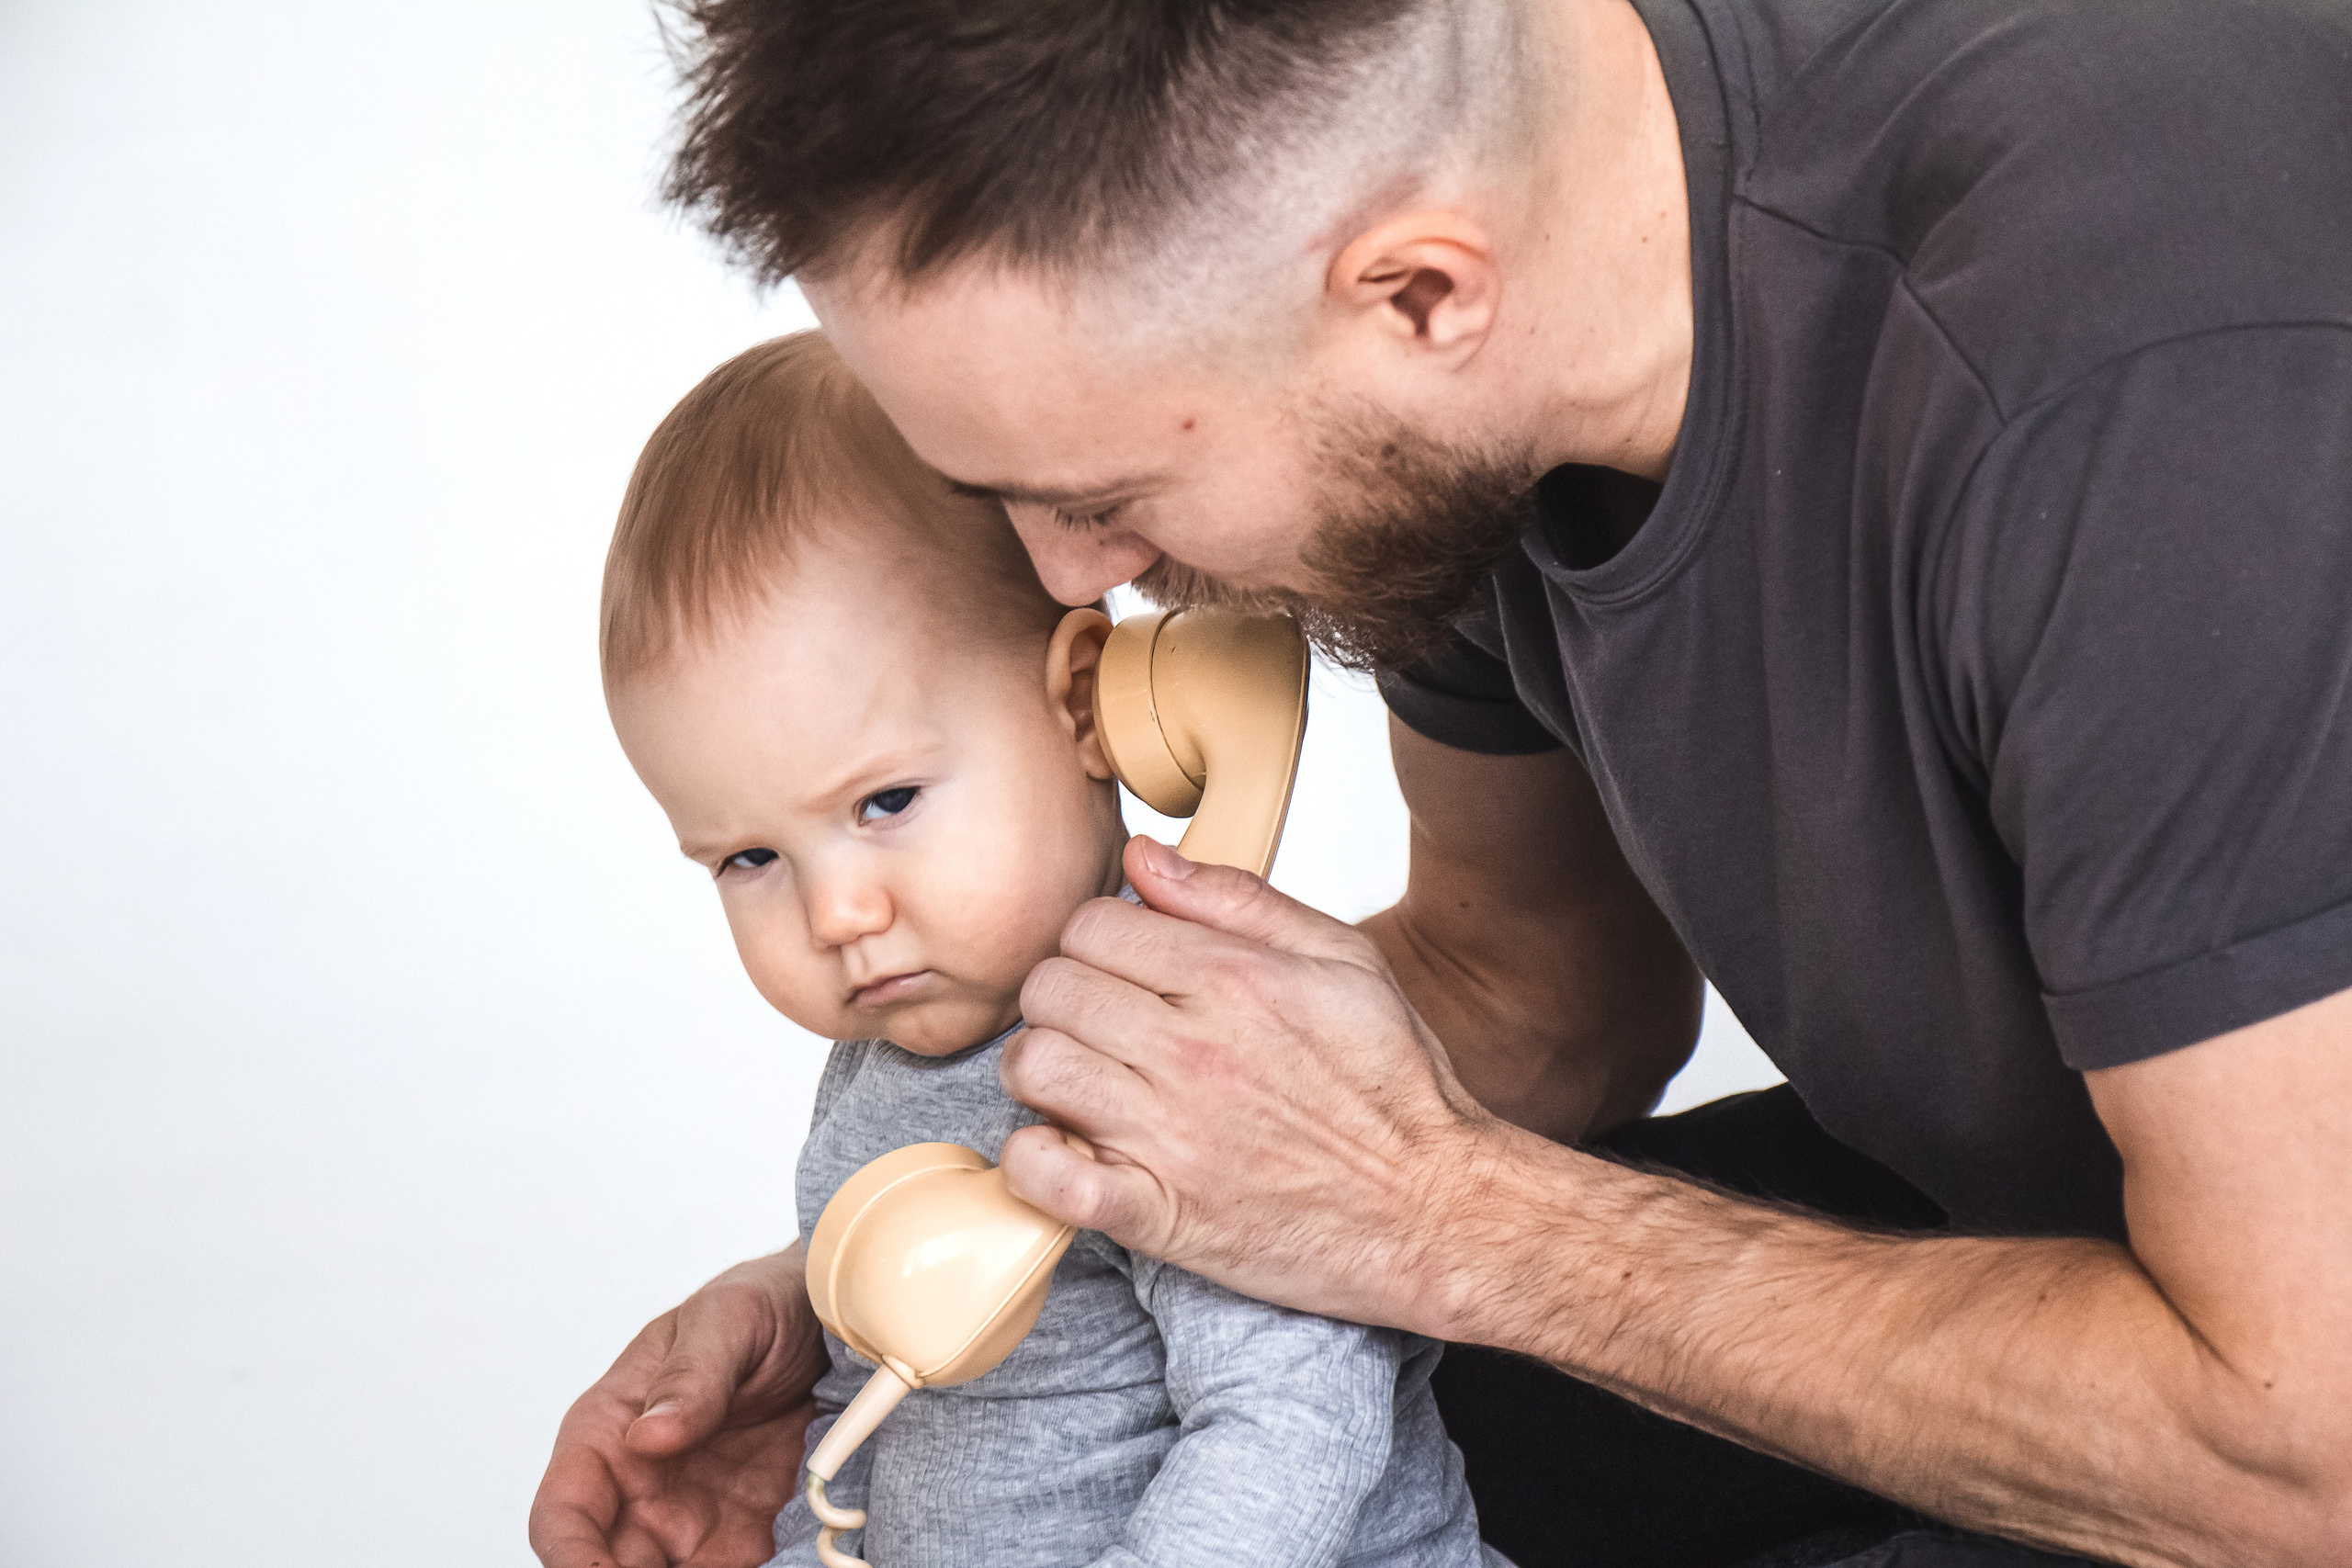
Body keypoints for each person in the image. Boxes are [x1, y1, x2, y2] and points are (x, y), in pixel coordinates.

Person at [532, 1, 2352, 1564]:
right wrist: (926, 1306)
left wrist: (1446, 1218)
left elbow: (2299, 1442)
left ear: (1415, 293)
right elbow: (1534, 987)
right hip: (2085, 1225)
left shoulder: (2135, 404)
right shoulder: (1454, 355)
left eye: (1101, 492)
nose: (1071, 581)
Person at [569, 330, 1499, 1568]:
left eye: (886, 803)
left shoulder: (1196, 1056)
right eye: (750, 859)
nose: (835, 913)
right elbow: (884, 1408)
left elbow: (1292, 1428)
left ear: (1080, 703)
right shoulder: (892, 1058)